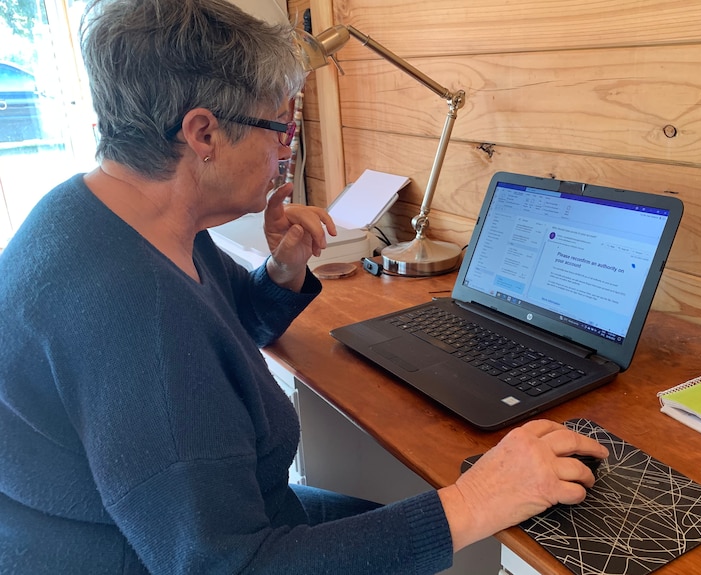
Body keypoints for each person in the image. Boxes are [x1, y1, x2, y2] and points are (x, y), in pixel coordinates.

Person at [0, 0, 609, 573]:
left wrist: (282, 272)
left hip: (188, 524)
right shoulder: (135, 315)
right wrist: (477, 499)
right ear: (203, 134)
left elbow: (227, 333)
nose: (282, 156)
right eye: (279, 131)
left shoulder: (109, 212)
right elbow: (228, 566)